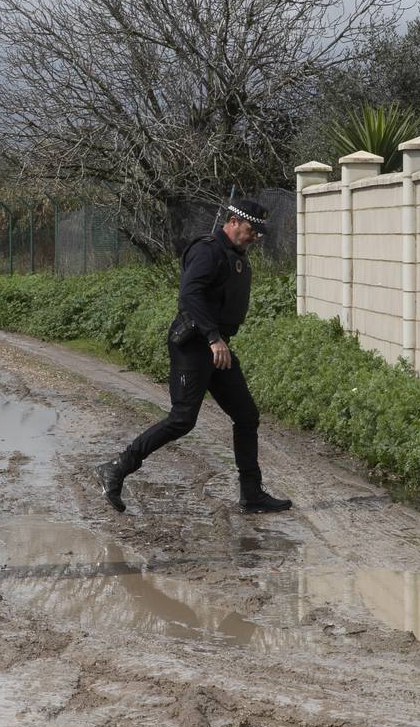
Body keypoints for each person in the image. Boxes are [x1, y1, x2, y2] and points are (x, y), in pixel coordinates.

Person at [95, 198, 292, 514]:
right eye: (251, 229)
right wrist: (213, 338)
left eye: (258, 232)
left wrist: (218, 340)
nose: (255, 236)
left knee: (246, 415)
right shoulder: (208, 250)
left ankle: (252, 494)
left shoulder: (234, 255)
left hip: (217, 347)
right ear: (232, 221)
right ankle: (116, 468)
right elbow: (189, 295)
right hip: (195, 344)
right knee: (182, 419)